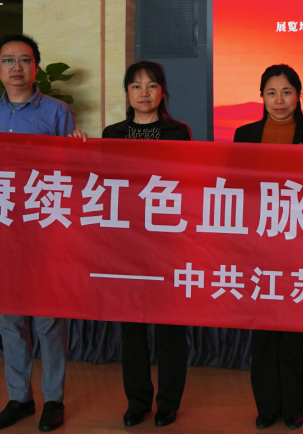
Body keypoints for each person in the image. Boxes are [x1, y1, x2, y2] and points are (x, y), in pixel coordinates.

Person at [0, 34, 79, 432]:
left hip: (43, 230)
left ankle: (53, 399)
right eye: (8, 60)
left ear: (35, 67)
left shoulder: (56, 111)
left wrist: (78, 147)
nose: (16, 67)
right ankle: (19, 398)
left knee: (48, 321)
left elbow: (71, 171)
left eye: (24, 60)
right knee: (9, 321)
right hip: (1, 230)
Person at [234, 65, 303, 431]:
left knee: (293, 332)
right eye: (271, 92)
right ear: (261, 96)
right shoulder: (244, 136)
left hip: (298, 246)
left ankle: (293, 406)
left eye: (287, 92)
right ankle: (266, 406)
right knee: (262, 331)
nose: (279, 100)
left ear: (298, 96)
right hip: (257, 245)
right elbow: (233, 188)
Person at [102, 61, 193, 428]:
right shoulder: (112, 134)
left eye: (151, 85)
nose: (144, 92)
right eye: (136, 86)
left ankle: (168, 401)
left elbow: (188, 183)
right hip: (126, 243)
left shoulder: (178, 132)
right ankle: (138, 401)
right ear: (127, 93)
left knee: (170, 327)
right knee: (132, 327)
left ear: (162, 92)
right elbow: (104, 184)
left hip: (167, 242)